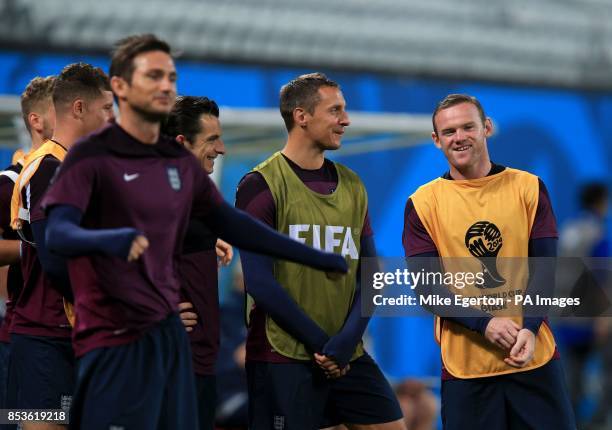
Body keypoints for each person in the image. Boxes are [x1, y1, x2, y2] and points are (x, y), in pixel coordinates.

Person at [40, 34, 347, 430]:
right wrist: (110, 242)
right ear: (120, 87)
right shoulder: (92, 155)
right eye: (153, 75)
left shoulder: (176, 164)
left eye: (170, 76)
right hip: (114, 342)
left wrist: (315, 256)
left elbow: (233, 223)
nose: (166, 84)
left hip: (172, 345)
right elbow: (58, 235)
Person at [236, 72, 405, 430]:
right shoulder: (259, 185)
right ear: (301, 116)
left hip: (346, 352)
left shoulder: (353, 184)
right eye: (335, 110)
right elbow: (259, 283)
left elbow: (372, 273)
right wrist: (322, 344)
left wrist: (345, 343)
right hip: (282, 355)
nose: (345, 120)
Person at [402, 93, 575, 429]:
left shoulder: (528, 187)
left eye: (468, 126)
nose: (459, 137)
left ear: (487, 128)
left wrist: (529, 328)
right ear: (436, 141)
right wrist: (485, 324)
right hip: (465, 369)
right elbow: (428, 289)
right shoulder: (422, 203)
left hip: (534, 357)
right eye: (449, 131)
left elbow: (545, 269)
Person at [8, 63, 113, 430]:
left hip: (82, 335)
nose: (112, 118)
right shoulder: (48, 167)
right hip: (46, 338)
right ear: (79, 109)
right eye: (106, 108)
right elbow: (53, 254)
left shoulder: (84, 167)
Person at [162, 95, 233, 430]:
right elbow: (106, 259)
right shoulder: (152, 192)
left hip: (201, 361)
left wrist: (205, 242)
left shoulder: (193, 193)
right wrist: (157, 311)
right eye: (211, 140)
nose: (221, 149)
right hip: (171, 362)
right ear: (181, 143)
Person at [0, 75, 55, 417]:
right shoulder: (8, 183)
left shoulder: (78, 179)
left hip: (75, 337)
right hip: (23, 339)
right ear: (36, 120)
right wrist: (37, 249)